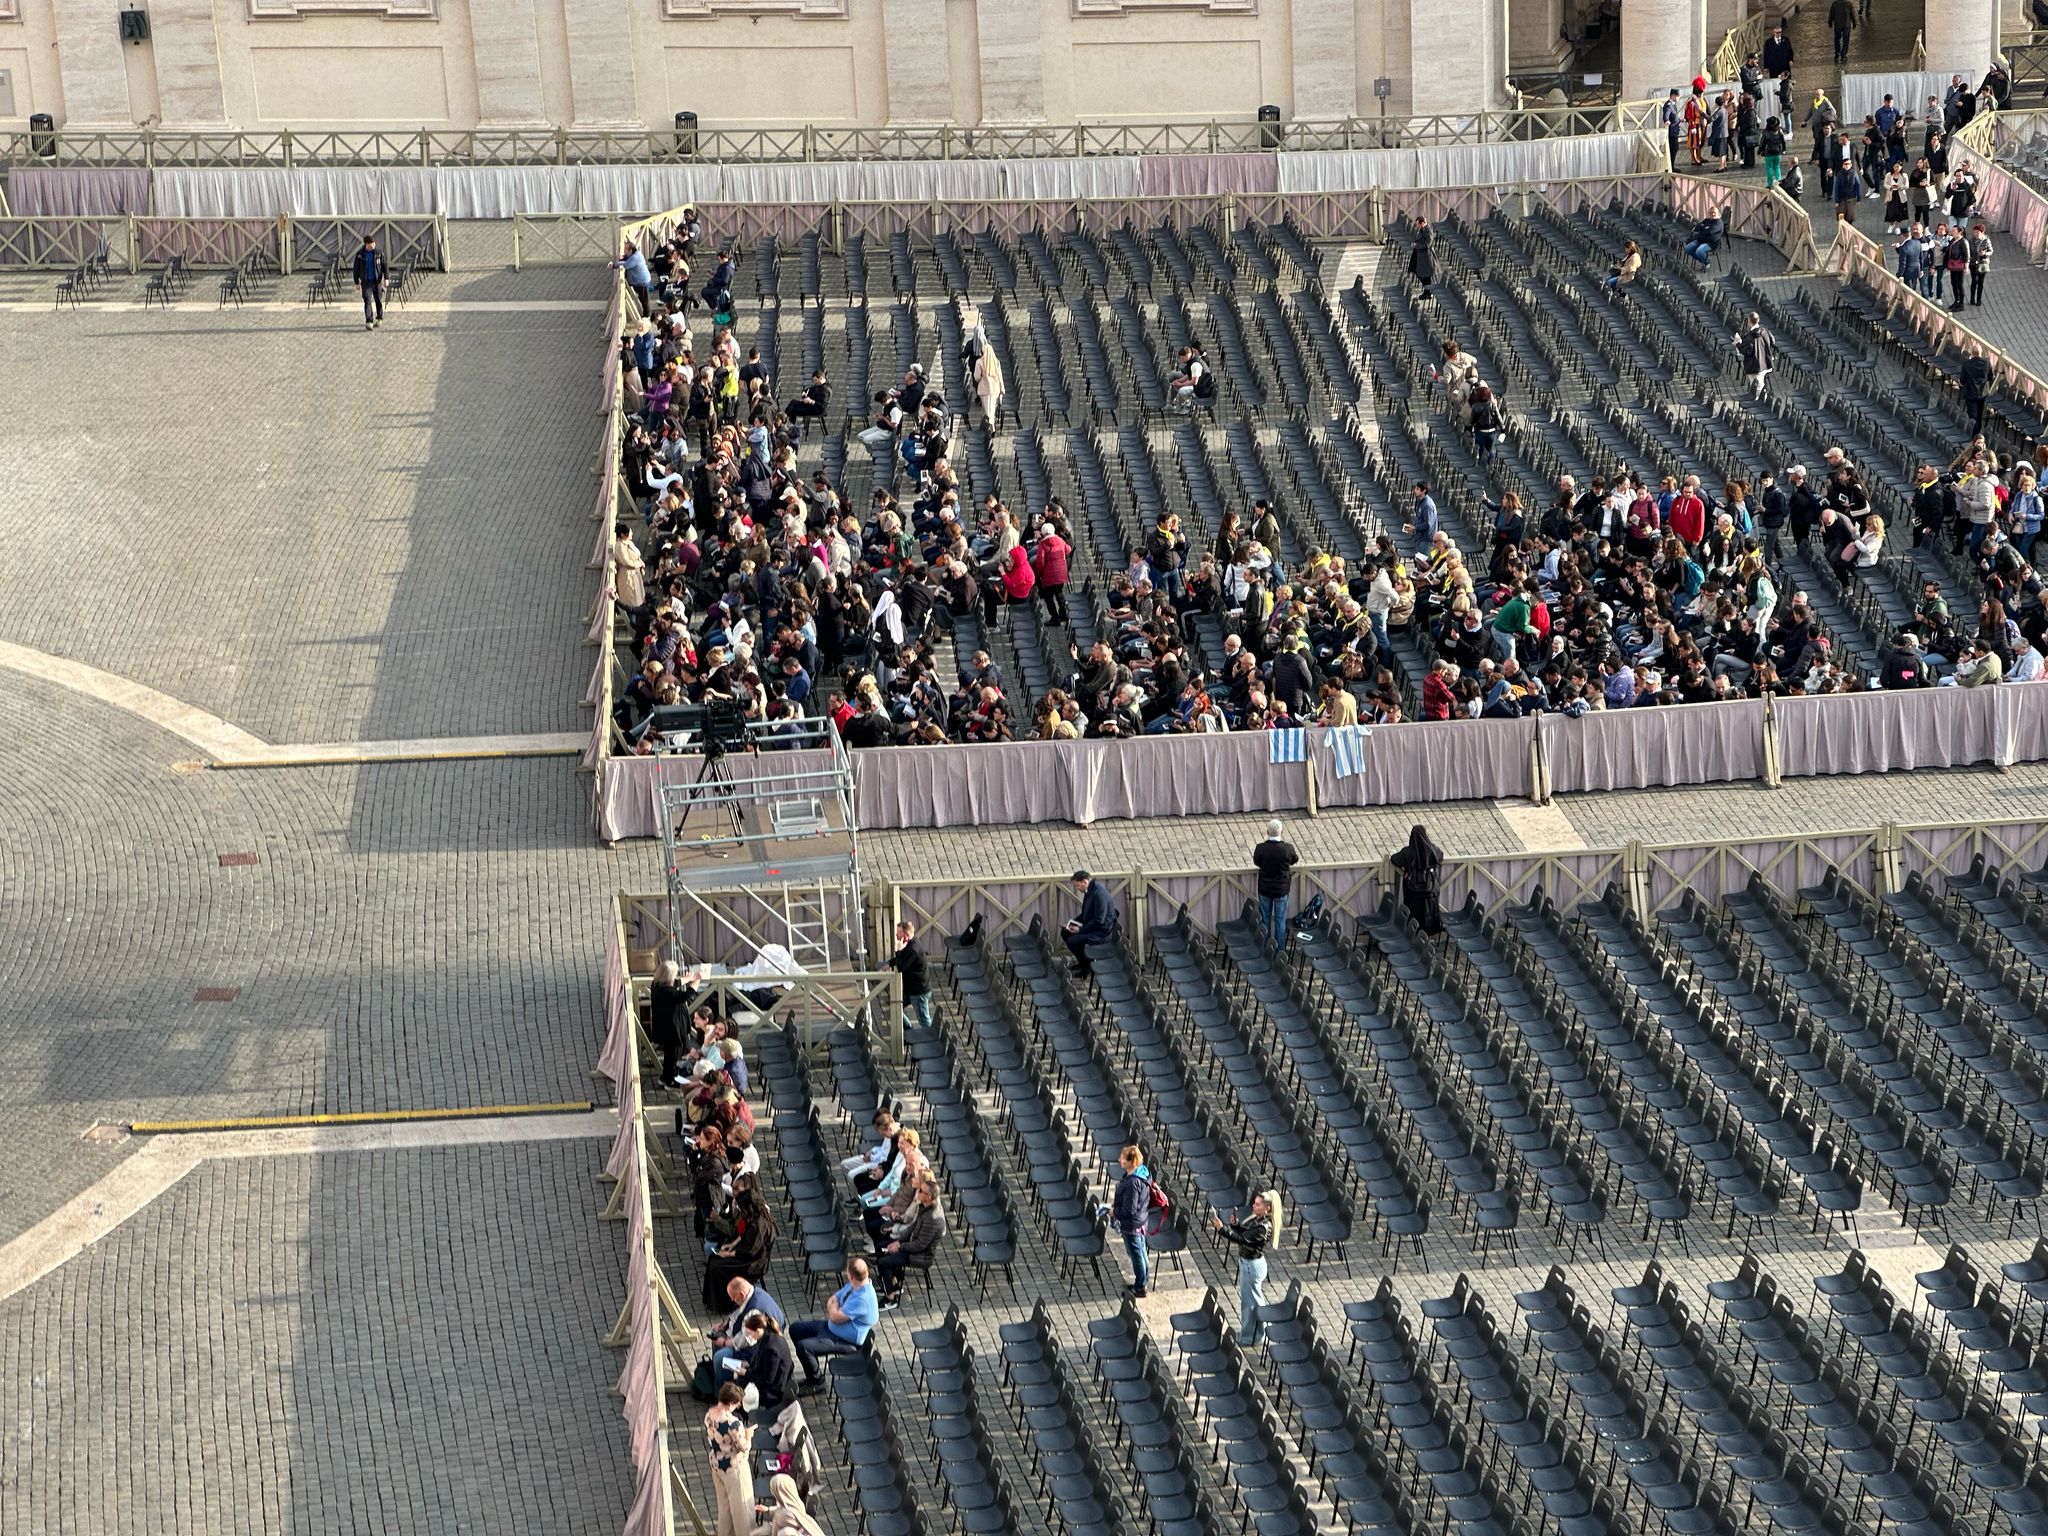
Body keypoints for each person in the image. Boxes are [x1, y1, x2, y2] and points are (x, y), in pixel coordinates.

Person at [790, 1258, 879, 1390]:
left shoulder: (863, 1299)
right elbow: (833, 1298)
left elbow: (835, 1316)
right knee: (795, 1329)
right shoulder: (854, 1285)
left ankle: (816, 1382)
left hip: (844, 1340)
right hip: (832, 1328)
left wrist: (834, 1308)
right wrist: (835, 1308)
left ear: (851, 1275)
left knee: (803, 1347)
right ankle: (810, 1370)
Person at [1213, 1191, 1279, 1346]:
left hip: (1252, 1266)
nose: (1254, 1207)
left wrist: (1223, 1230)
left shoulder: (1263, 1227)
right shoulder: (1259, 1220)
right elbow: (1246, 1234)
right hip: (1250, 1264)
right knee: (1254, 1301)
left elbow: (1243, 1241)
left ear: (1267, 1208)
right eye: (1254, 1203)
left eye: (1257, 1204)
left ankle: (1249, 1336)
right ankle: (1257, 1332)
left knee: (1249, 1304)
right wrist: (1236, 1226)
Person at [876, 1177, 946, 1308]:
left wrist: (900, 1247)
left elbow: (920, 1245)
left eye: (921, 1191)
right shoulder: (923, 1206)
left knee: (883, 1263)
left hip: (920, 1255)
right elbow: (912, 1228)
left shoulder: (933, 1218)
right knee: (881, 1248)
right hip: (911, 1245)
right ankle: (893, 1285)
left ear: (929, 1197)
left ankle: (890, 1299)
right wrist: (898, 1241)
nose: (917, 1192)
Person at [708, 1276, 785, 1382]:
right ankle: (718, 1375)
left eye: (734, 1298)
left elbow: (745, 1339)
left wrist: (724, 1342)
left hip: (755, 1349)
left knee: (721, 1358)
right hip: (752, 1338)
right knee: (717, 1336)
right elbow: (737, 1314)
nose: (732, 1300)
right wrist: (723, 1326)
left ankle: (723, 1392)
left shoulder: (755, 1311)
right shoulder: (752, 1293)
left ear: (741, 1294)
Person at [705, 1383, 755, 1536]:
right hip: (734, 1469)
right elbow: (743, 1447)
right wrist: (749, 1435)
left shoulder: (709, 1414)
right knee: (742, 1512)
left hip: (717, 1464)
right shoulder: (733, 1423)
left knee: (724, 1508)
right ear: (732, 1402)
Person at [1111, 1145, 1155, 1299]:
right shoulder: (1143, 1173)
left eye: (1122, 1157)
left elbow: (1129, 1210)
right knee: (1141, 1252)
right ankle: (1142, 1281)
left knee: (1137, 1255)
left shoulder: (1132, 1184)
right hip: (1141, 1220)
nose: (1119, 1159)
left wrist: (1113, 1212)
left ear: (1130, 1162)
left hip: (1133, 1225)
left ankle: (1140, 1287)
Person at [1252, 820, 1299, 952]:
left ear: (1267, 832)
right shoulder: (1287, 849)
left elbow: (1257, 861)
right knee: (1280, 921)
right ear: (1281, 832)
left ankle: (1266, 950)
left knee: (1265, 920)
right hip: (1281, 890)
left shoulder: (1261, 848)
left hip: (1265, 889)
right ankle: (1280, 951)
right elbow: (1295, 859)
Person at [1390, 824, 1444, 937]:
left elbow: (1394, 859)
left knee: (1414, 916)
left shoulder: (1408, 852)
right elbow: (1441, 856)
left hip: (1413, 893)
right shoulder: (1432, 850)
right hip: (1430, 891)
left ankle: (1414, 937)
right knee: (1429, 915)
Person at [1062, 869, 1116, 977]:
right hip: (1093, 925)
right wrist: (1071, 923)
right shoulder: (1090, 890)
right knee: (1065, 932)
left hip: (1101, 932)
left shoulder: (1098, 894)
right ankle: (1083, 962)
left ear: (1085, 882)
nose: (1077, 888)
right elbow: (1085, 913)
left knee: (1072, 941)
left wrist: (1080, 930)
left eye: (1077, 885)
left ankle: (1086, 966)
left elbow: (1099, 921)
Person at [888, 919, 931, 1034]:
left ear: (906, 935)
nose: (896, 935)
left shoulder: (914, 950)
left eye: (898, 933)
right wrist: (889, 963)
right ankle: (908, 1029)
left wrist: (898, 950)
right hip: (910, 989)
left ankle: (930, 1039)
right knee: (895, 1007)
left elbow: (902, 967)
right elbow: (902, 959)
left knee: (924, 1021)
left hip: (919, 992)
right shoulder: (910, 944)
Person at [752, 1473, 827, 1536]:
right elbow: (787, 1509)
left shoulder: (782, 1516)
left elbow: (775, 1529)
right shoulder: (797, 1503)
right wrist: (768, 1510)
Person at [351, 234, 387, 331]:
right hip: (366, 282)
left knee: (378, 300)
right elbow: (356, 268)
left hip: (377, 281)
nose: (373, 245)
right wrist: (356, 282)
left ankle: (379, 317)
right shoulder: (360, 254)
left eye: (374, 243)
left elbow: (384, 265)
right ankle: (369, 320)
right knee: (367, 300)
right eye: (371, 244)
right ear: (367, 244)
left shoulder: (379, 253)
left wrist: (386, 278)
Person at [1736, 314, 1775, 399]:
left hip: (1755, 366)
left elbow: (1747, 351)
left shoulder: (1751, 336)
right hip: (1765, 362)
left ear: (1749, 322)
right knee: (1758, 387)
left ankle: (1761, 407)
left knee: (1757, 389)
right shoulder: (1765, 330)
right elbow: (1773, 341)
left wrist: (1737, 345)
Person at [1959, 349, 1993, 437]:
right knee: (1979, 414)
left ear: (1972, 353)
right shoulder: (1987, 362)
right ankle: (1977, 433)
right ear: (1981, 352)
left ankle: (1974, 434)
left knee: (1972, 415)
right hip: (1982, 394)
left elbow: (1962, 380)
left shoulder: (1967, 364)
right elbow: (1990, 377)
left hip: (1971, 393)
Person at [1407, 217, 1434, 298]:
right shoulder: (1422, 229)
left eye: (1417, 224)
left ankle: (1428, 291)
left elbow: (1427, 244)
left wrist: (1417, 245)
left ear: (1422, 223)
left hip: (1425, 256)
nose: (1417, 226)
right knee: (1418, 271)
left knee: (1425, 274)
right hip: (1419, 254)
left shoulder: (1428, 231)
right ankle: (1427, 290)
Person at [1969, 222, 1993, 308]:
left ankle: (1979, 299)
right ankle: (1972, 298)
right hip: (1973, 263)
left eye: (1977, 232)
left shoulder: (1986, 240)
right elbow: (1969, 252)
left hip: (1983, 263)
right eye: (1974, 232)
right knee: (1974, 281)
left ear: (1982, 232)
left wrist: (1985, 254)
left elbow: (1991, 251)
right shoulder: (1971, 240)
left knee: (1980, 282)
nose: (1975, 234)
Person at [1828, 0, 1855, 65]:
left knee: (1837, 38)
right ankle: (1844, 54)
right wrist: (1854, 23)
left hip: (1837, 24)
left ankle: (1837, 53)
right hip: (1846, 24)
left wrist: (1830, 22)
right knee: (1846, 39)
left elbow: (1831, 14)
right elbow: (1852, 14)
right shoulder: (1849, 3)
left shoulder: (1835, 4)